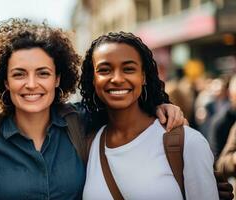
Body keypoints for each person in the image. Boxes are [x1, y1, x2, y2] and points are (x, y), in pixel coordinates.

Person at [0, 19, 184, 200]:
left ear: (57, 78)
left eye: (43, 73)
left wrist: (159, 105)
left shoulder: (82, 121)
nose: (31, 84)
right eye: (19, 74)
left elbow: (123, 104)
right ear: (5, 81)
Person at [80, 32, 218, 199]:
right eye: (104, 70)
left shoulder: (187, 142)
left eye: (129, 69)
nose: (117, 78)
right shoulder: (89, 145)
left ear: (143, 76)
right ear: (93, 79)